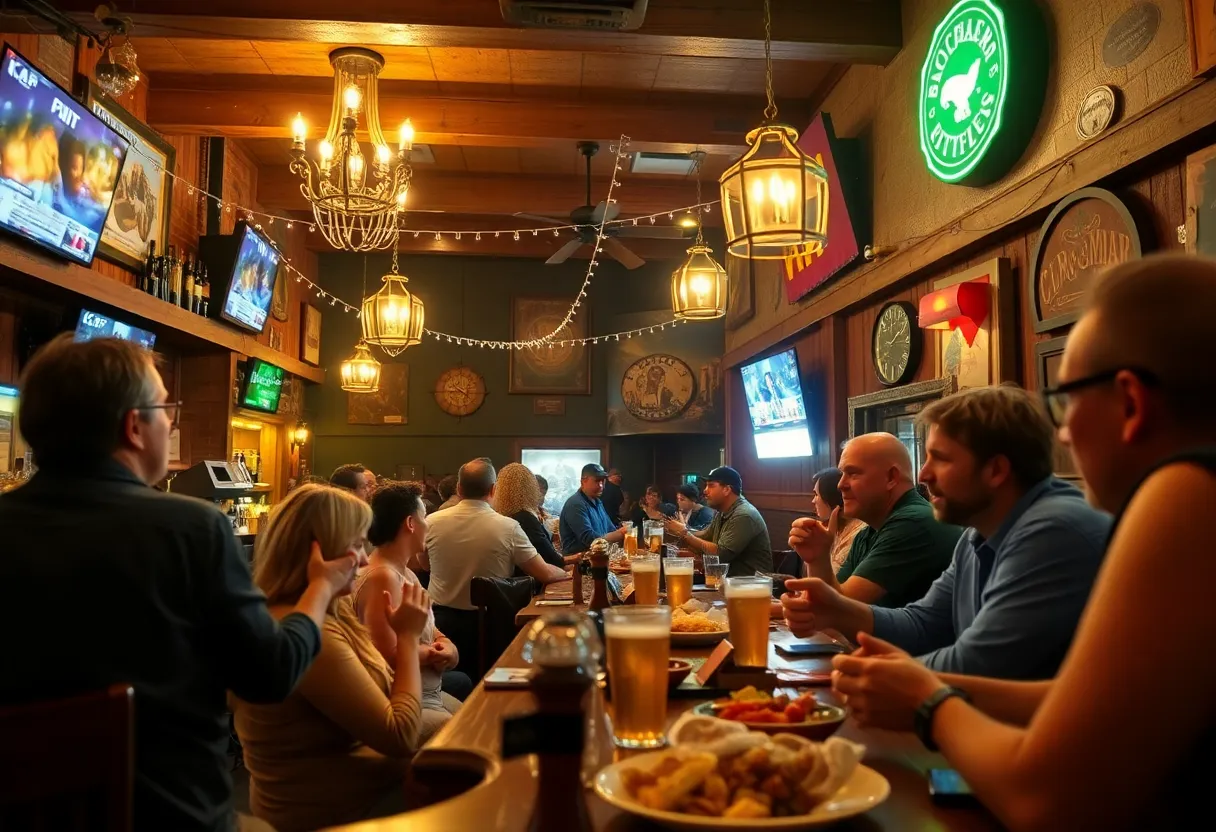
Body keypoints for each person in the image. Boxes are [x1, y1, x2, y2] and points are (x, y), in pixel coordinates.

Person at [828, 255, 1216, 831]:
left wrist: (927, 701)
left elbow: (1045, 799)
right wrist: (909, 683)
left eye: (1067, 399)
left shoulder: (1187, 493)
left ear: (1131, 403)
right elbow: (1080, 704)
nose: (1061, 432)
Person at [0, 335, 356, 832]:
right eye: (166, 409)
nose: (172, 422)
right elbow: (269, 676)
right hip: (174, 816)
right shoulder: (191, 529)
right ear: (134, 426)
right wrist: (319, 588)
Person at [783, 386, 1109, 678]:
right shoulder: (976, 533)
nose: (924, 475)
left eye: (939, 459)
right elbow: (923, 623)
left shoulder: (1052, 532)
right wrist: (837, 610)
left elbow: (978, 665)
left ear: (996, 470)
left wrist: (868, 670)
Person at [231, 484, 430, 832]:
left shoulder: (329, 611)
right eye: (355, 546)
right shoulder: (308, 631)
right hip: (333, 815)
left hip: (359, 792)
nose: (366, 559)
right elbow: (401, 735)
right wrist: (409, 638)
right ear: (318, 555)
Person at [424, 459, 569, 673]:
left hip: (440, 626)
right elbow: (545, 573)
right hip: (491, 629)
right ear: (493, 489)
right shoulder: (508, 527)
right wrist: (565, 572)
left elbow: (425, 567)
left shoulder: (430, 522)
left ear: (458, 488)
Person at [790, 434, 961, 607]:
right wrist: (818, 558)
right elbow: (830, 603)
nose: (841, 484)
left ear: (891, 478)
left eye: (853, 473)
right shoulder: (868, 532)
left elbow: (839, 608)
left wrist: (819, 559)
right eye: (842, 474)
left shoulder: (913, 523)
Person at [353, 482, 465, 739]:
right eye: (424, 517)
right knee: (473, 734)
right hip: (404, 702)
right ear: (410, 524)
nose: (427, 524)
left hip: (429, 693)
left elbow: (429, 628)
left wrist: (446, 645)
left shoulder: (408, 576)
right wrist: (434, 653)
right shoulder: (382, 576)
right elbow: (386, 655)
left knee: (481, 719)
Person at [664, 466, 772, 577]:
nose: (705, 490)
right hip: (728, 582)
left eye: (711, 486)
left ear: (727, 490)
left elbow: (720, 554)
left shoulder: (744, 515)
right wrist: (680, 531)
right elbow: (705, 536)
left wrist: (684, 533)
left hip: (750, 587)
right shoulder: (723, 511)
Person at [493, 462, 565, 568]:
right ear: (530, 489)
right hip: (529, 579)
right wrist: (579, 557)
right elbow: (552, 559)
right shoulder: (525, 518)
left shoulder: (498, 515)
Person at [559, 463, 628, 554]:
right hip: (579, 562)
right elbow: (591, 540)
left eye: (603, 481)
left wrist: (621, 533)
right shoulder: (575, 504)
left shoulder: (597, 501)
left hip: (600, 558)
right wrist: (621, 533)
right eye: (597, 481)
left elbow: (611, 530)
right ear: (583, 481)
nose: (601, 486)